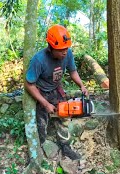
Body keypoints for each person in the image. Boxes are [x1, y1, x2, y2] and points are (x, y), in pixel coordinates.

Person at [25, 24, 88, 160]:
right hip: (42, 92)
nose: (64, 52)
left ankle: (65, 147)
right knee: (42, 124)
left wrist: (81, 85)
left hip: (56, 89)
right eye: (61, 50)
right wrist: (45, 103)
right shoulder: (39, 60)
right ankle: (38, 150)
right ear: (50, 47)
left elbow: (73, 71)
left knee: (64, 116)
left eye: (66, 49)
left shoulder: (68, 54)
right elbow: (29, 84)